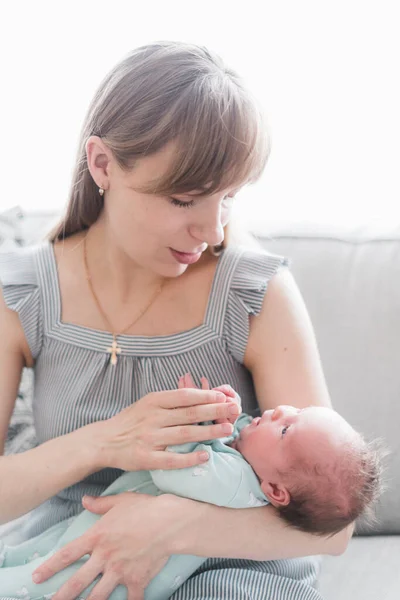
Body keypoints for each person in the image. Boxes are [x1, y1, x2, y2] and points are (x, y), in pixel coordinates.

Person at [0, 40, 355, 600]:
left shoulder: (254, 293)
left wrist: (171, 529)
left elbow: (335, 525)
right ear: (102, 164)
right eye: (185, 200)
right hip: (71, 540)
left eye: (229, 199)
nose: (213, 231)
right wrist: (106, 442)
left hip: (228, 556)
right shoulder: (23, 293)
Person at [0, 373, 382, 600]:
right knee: (38, 555)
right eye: (296, 411)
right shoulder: (246, 466)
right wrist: (222, 416)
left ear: (276, 492)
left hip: (110, 572)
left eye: (286, 429)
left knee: (43, 580)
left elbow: (176, 470)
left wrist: (192, 427)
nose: (282, 410)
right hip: (91, 532)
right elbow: (224, 445)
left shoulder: (236, 485)